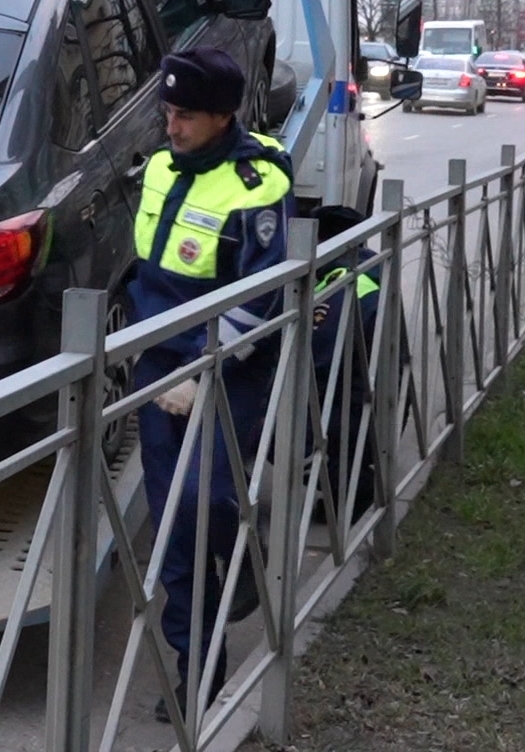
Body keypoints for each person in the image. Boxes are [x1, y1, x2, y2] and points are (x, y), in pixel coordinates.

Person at [127, 46, 293, 726]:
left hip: (228, 368)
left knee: (204, 500)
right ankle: (196, 672)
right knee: (172, 520)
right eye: (168, 112)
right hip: (158, 364)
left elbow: (260, 300)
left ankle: (245, 552)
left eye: (186, 116)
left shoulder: (258, 187)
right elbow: (143, 270)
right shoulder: (162, 167)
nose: (172, 128)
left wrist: (203, 371)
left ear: (223, 116)